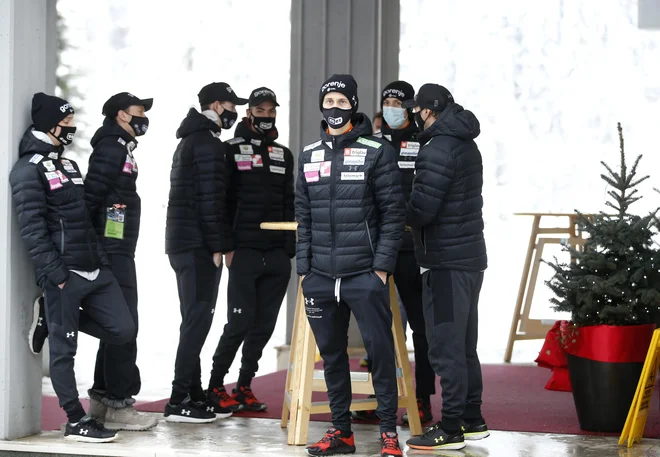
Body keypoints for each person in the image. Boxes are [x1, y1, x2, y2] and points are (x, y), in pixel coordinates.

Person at [9, 93, 135, 443]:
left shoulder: (69, 165)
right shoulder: (26, 170)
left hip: (97, 269)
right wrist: (57, 275)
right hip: (64, 275)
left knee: (124, 331)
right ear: (48, 125)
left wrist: (103, 262)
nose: (71, 129)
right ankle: (76, 420)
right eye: (65, 124)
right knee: (66, 352)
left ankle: (49, 317)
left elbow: (85, 219)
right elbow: (32, 230)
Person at [296, 74, 406, 457]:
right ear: (321, 105)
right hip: (321, 277)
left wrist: (380, 268)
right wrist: (305, 269)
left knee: (379, 352)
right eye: (330, 102)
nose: (336, 109)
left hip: (364, 274)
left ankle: (389, 432)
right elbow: (303, 215)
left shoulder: (377, 150)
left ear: (354, 106)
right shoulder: (309, 153)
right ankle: (340, 432)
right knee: (332, 356)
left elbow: (393, 215)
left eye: (343, 103)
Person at [403, 84, 489, 451]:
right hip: (469, 260)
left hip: (445, 263)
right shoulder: (464, 142)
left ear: (428, 111)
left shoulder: (436, 148)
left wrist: (393, 209)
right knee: (465, 344)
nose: (411, 115)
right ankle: (472, 418)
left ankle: (451, 426)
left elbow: (423, 209)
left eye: (416, 110)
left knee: (445, 346)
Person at [206, 87, 295, 412]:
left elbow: (290, 202)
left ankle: (244, 385)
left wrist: (289, 249)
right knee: (239, 324)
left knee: (263, 327)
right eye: (260, 110)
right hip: (243, 252)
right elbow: (222, 202)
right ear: (249, 114)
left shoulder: (283, 154)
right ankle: (215, 385)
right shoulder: (229, 150)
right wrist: (228, 247)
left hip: (276, 255)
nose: (266, 116)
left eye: (271, 110)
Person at [164, 82, 247, 423]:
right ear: (216, 104)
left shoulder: (192, 139)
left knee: (193, 321)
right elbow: (211, 202)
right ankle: (180, 397)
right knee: (197, 322)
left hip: (184, 244)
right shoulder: (208, 144)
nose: (235, 112)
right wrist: (220, 245)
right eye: (231, 105)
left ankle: (194, 394)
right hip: (198, 246)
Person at [354, 81, 436, 426]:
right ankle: (379, 395)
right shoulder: (372, 143)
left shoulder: (424, 143)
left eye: (398, 102)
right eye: (386, 101)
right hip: (377, 249)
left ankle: (421, 398)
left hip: (413, 250)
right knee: (378, 327)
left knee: (420, 326)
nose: (391, 107)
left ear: (410, 107)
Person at [84, 92, 157, 431]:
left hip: (118, 247)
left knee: (117, 324)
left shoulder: (121, 147)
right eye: (138, 112)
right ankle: (120, 404)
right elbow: (91, 195)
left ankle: (102, 400)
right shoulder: (111, 147)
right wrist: (92, 246)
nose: (143, 117)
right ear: (120, 115)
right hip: (111, 250)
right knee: (126, 324)